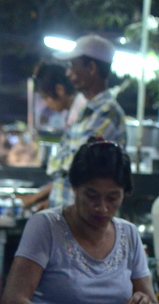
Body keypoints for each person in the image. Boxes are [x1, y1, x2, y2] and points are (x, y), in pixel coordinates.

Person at [2, 138, 159, 304]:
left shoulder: (129, 234)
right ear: (75, 188)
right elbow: (13, 303)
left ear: (124, 193)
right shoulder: (46, 226)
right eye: (91, 195)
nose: (102, 207)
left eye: (113, 197)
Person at [38, 35, 125, 209]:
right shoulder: (86, 113)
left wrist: (57, 165)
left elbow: (80, 164)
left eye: (73, 66)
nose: (68, 73)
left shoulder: (107, 113)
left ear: (91, 68)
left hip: (83, 225)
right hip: (68, 221)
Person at [21, 63, 86, 211]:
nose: (46, 104)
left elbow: (72, 169)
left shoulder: (83, 114)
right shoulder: (72, 115)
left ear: (59, 90)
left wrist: (34, 198)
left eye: (45, 97)